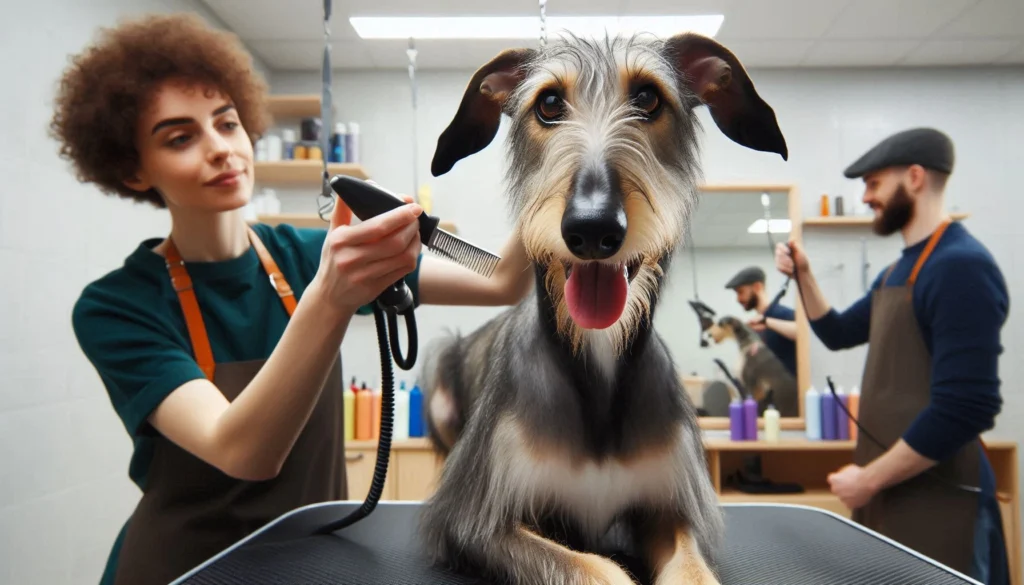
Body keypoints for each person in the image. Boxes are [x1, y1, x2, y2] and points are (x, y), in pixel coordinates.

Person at [50, 13, 535, 585]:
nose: (221, 150)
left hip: (311, 561)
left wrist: (561, 170)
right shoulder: (116, 305)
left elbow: (501, 281)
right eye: (181, 138)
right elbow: (243, 452)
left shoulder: (305, 253)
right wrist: (330, 297)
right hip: (184, 567)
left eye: (227, 124)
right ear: (134, 171)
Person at [774, 127, 1009, 584]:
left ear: (916, 178)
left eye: (874, 184)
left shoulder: (960, 266)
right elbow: (838, 332)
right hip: (897, 490)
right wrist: (804, 275)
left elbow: (965, 408)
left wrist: (870, 479)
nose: (866, 197)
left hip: (941, 494)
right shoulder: (896, 272)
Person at [724, 265, 798, 375]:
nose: (738, 299)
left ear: (757, 287)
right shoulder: (756, 326)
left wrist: (767, 322)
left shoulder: (782, 314)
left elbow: (805, 333)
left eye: (741, 292)